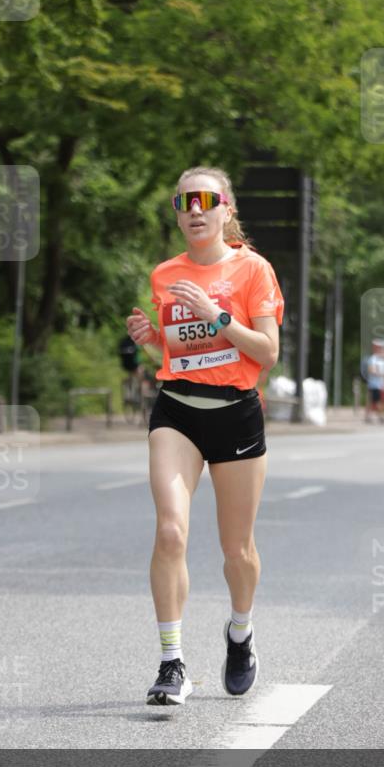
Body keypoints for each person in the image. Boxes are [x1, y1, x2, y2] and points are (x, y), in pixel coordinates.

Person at [125, 166, 284, 707]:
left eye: (205, 200)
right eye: (183, 201)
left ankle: (240, 633)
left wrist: (216, 315)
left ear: (226, 210)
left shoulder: (253, 271)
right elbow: (178, 358)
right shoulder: (165, 274)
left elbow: (266, 352)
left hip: (236, 414)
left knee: (236, 550)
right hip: (178, 412)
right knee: (170, 532)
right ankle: (172, 663)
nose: (194, 209)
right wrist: (152, 341)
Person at [362, 339, 384, 424]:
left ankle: (369, 417)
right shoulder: (373, 359)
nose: (381, 350)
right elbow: (371, 370)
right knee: (375, 401)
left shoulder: (382, 360)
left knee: (373, 401)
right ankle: (380, 417)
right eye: (379, 348)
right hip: (374, 384)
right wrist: (379, 373)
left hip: (379, 384)